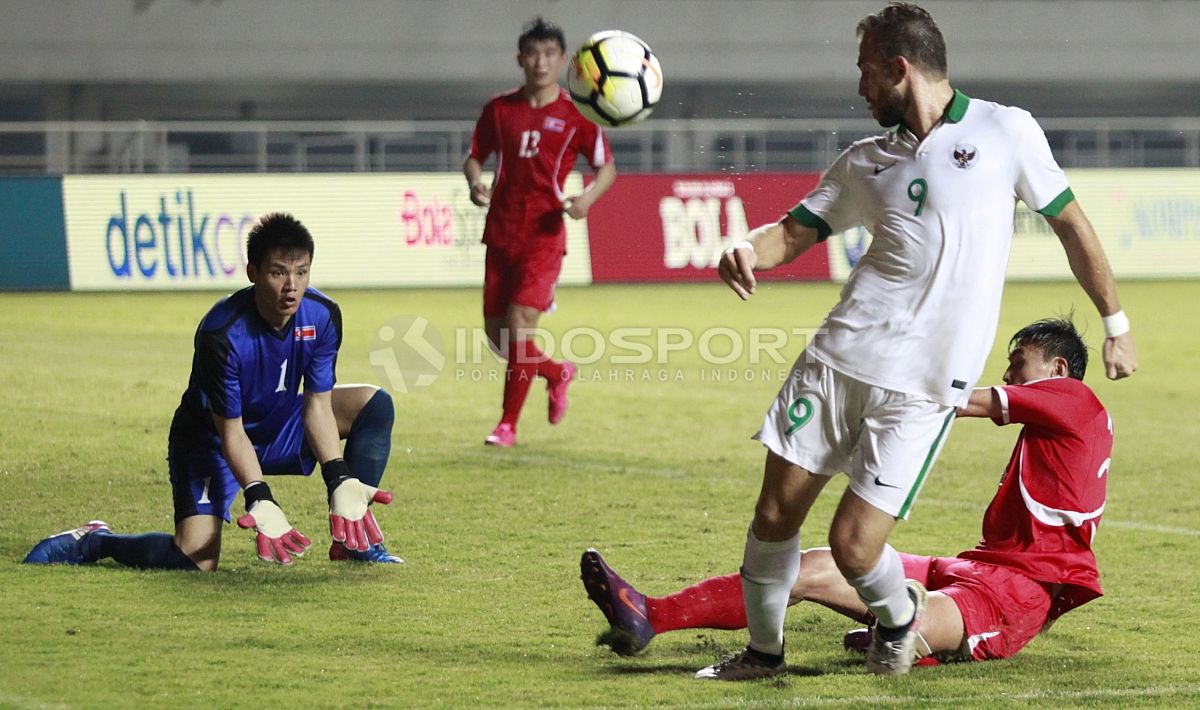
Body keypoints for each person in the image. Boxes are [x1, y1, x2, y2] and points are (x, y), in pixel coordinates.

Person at [704, 2, 1137, 679]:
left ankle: (900, 620)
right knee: (773, 517)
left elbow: (1072, 226)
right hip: (836, 363)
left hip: (924, 386)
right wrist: (745, 247)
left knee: (854, 545)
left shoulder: (1006, 132)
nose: (859, 88)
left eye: (865, 73)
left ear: (899, 68)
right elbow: (792, 232)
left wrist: (1115, 324)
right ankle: (763, 654)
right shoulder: (863, 160)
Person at [583, 317, 1113, 671]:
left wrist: (882, 378)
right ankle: (649, 613)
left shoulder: (1074, 398)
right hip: (976, 567)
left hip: (1017, 594)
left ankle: (912, 637)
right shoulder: (1064, 420)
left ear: (1057, 370)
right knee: (811, 564)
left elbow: (962, 403)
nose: (1008, 372)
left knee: (903, 626)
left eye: (1019, 360)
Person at [24, 213, 401, 571]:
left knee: (374, 405)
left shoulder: (322, 315)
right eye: (278, 272)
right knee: (195, 560)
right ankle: (97, 541)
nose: (292, 286)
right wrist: (259, 494)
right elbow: (230, 431)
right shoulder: (221, 334)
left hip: (281, 422)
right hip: (212, 440)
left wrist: (338, 477)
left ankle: (355, 543)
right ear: (253, 272)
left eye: (301, 273)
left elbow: (317, 404)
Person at [464, 16, 617, 448]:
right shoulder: (499, 108)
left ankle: (507, 424)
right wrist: (476, 182)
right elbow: (475, 156)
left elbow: (606, 166)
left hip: (544, 235)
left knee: (518, 327)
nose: (541, 61)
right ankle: (555, 371)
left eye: (549, 54)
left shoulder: (578, 113)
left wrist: (587, 198)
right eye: (533, 53)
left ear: (564, 60)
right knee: (499, 338)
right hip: (501, 232)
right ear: (520, 59)